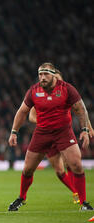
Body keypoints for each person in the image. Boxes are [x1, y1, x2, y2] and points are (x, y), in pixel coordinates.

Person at [8, 63, 92, 211]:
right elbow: (22, 112)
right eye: (40, 74)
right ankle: (21, 198)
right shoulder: (34, 91)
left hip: (63, 132)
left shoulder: (66, 88)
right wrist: (14, 131)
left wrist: (85, 129)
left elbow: (81, 109)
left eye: (45, 74)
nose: (42, 77)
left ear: (53, 75)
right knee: (27, 169)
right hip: (42, 133)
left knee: (76, 165)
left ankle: (83, 202)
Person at [28, 69, 93, 204]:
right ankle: (75, 192)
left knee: (72, 162)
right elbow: (31, 116)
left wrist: (88, 128)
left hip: (63, 133)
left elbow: (80, 110)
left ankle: (80, 197)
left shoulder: (65, 93)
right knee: (58, 170)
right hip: (47, 136)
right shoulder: (41, 96)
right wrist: (46, 121)